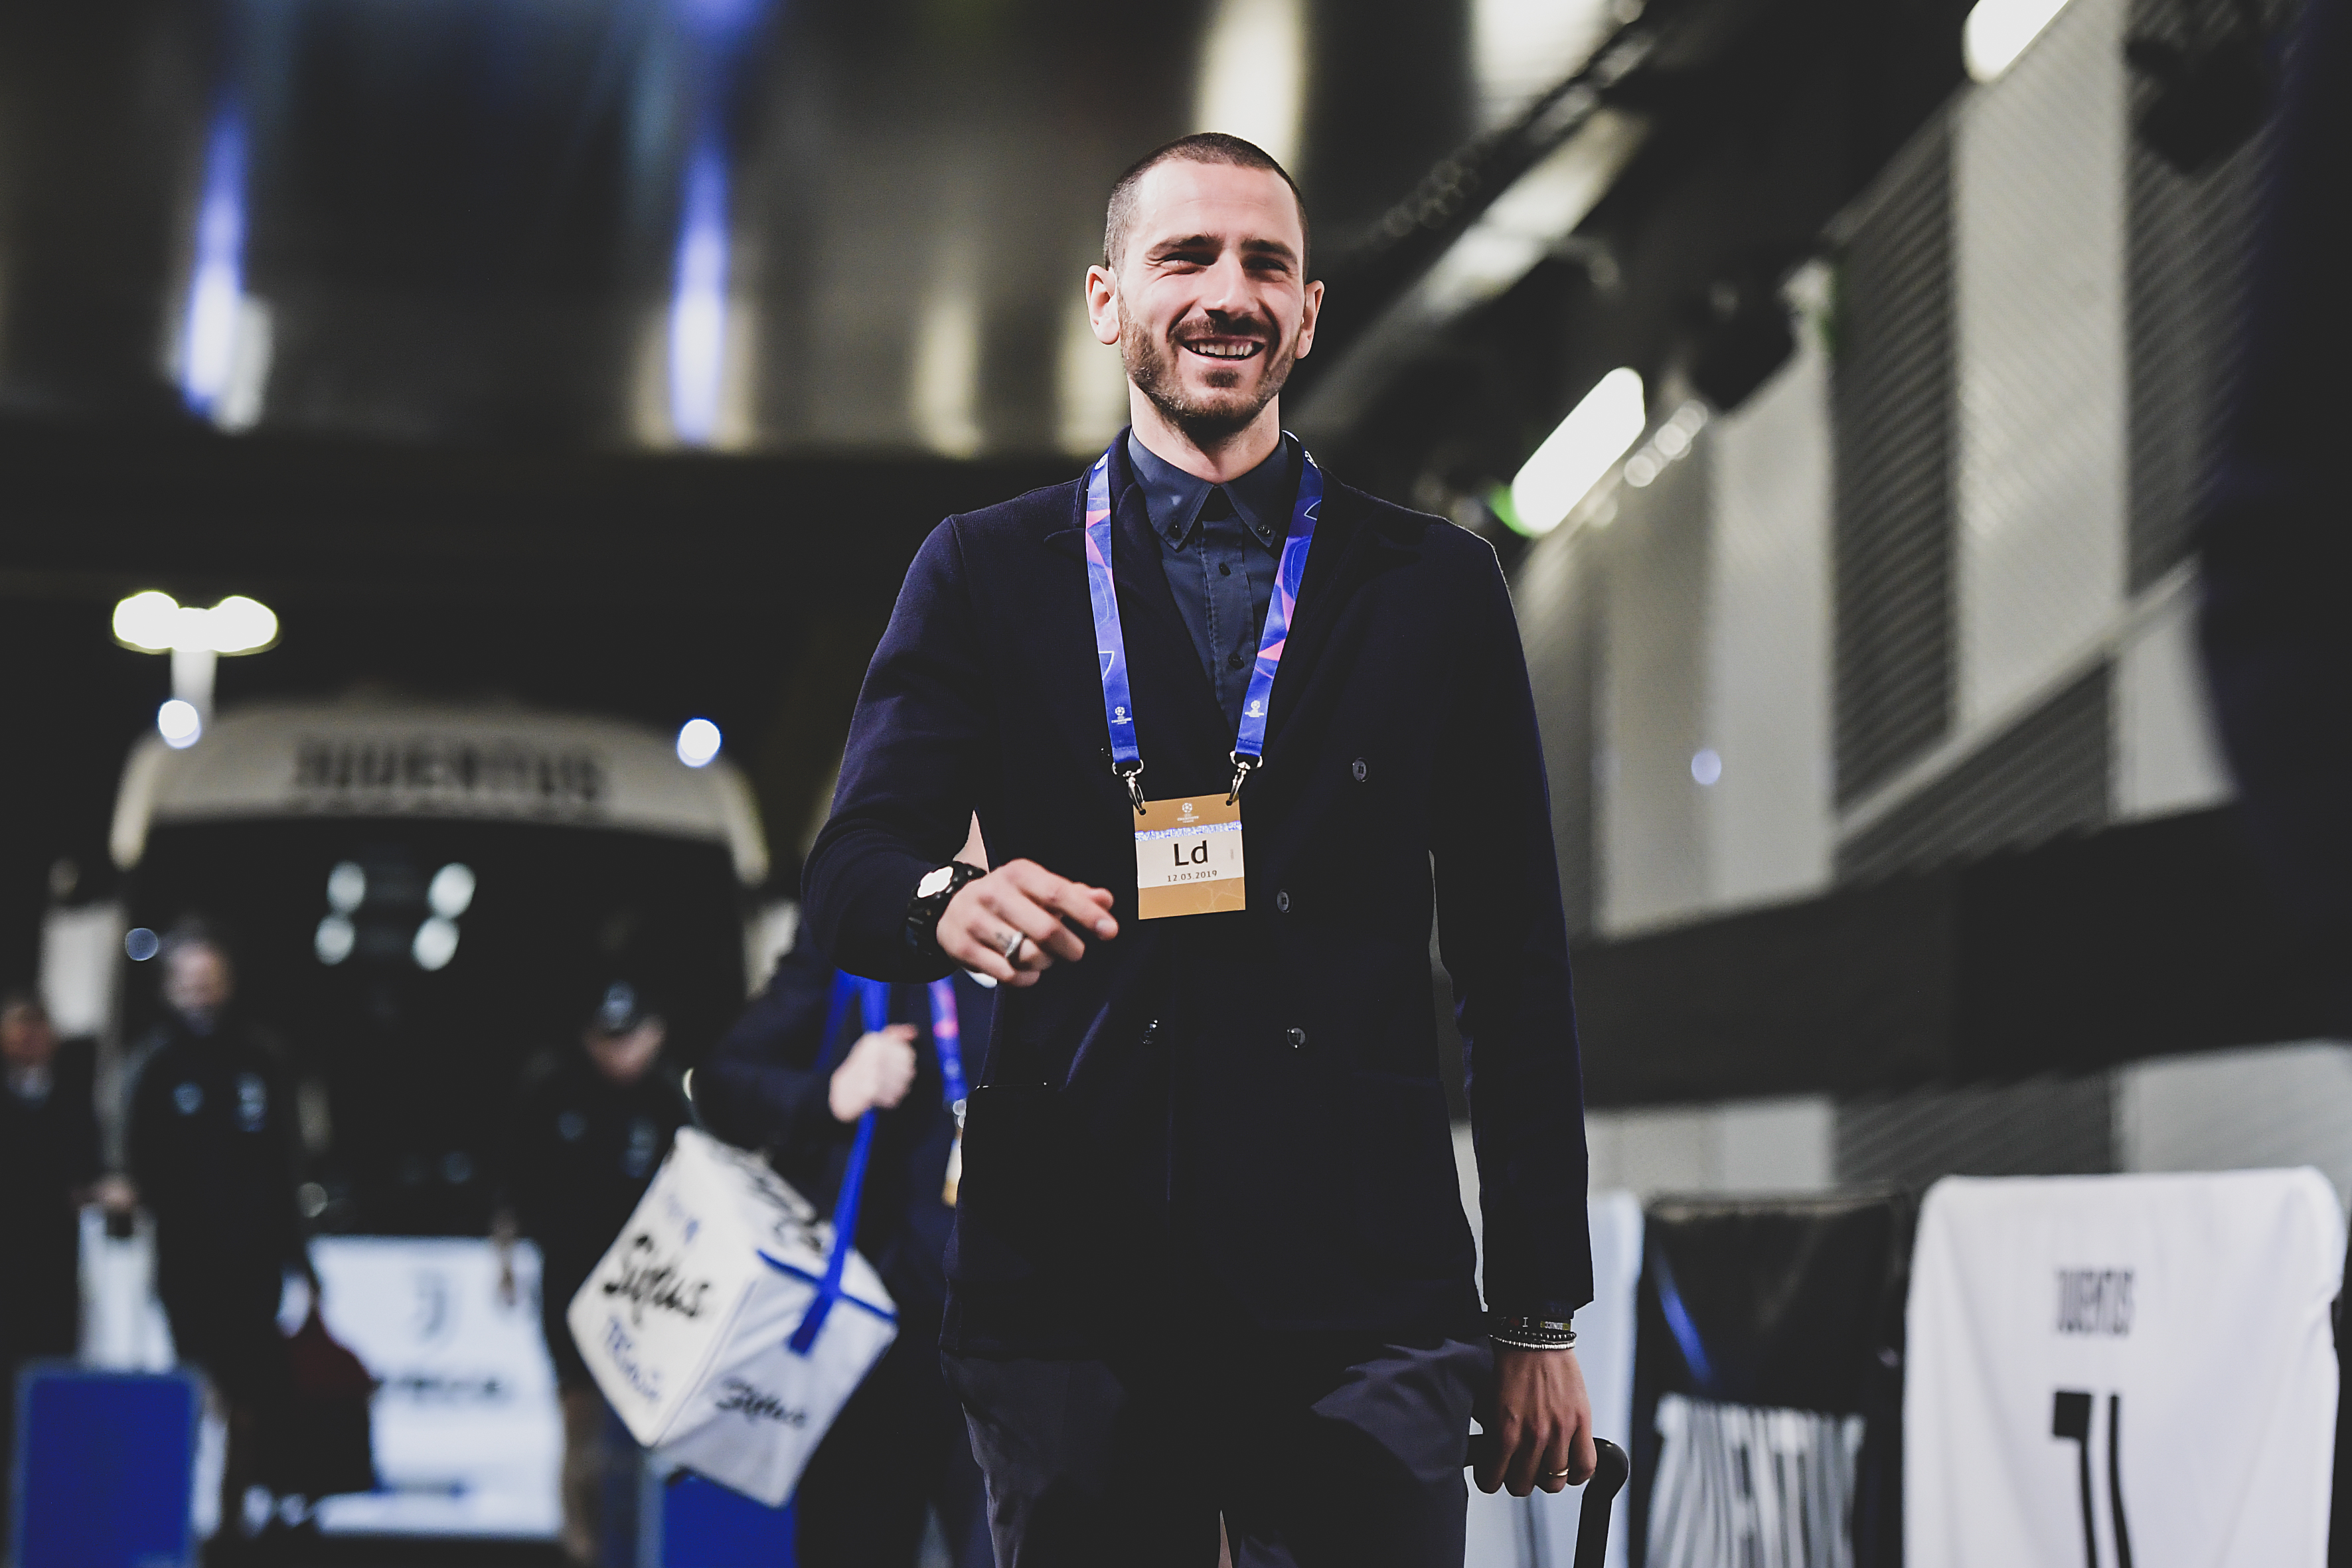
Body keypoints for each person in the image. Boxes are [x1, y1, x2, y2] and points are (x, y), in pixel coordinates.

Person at [801, 132, 1595, 1566]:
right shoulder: (983, 569)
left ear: (1307, 313)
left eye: (1264, 264)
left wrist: (1536, 1311)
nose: (1227, 292)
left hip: (1366, 1297)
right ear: (1108, 301)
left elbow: (1513, 961)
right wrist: (953, 900)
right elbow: (854, 865)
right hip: (1071, 1292)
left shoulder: (1434, 585)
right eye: (1187, 257)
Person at [698, 868, 997, 1568]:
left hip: (1016, 1340)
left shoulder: (1066, 929)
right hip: (872, 1335)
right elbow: (723, 1082)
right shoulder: (867, 935)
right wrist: (831, 1094)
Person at [123, 925, 313, 1565]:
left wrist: (303, 1260)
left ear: (227, 984)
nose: (200, 993)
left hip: (254, 1265)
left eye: (209, 980)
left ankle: (232, 1524)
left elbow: (287, 1164)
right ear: (169, 989)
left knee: (251, 1403)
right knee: (199, 1392)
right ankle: (187, 1518)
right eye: (188, 982)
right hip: (185, 1265)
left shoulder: (263, 1059)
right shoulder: (153, 1067)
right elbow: (132, 1165)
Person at [499, 979, 691, 1568]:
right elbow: (515, 1175)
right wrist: (503, 1251)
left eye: (631, 1038)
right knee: (576, 1417)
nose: (620, 1053)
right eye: (608, 1040)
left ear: (654, 1036)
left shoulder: (668, 1101)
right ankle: (579, 1542)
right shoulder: (555, 1091)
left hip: (646, 1289)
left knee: (639, 1424)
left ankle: (634, 1539)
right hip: (570, 1278)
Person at [1, 993, 104, 1543]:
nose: (27, 1041)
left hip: (52, 1274)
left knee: (47, 1393)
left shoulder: (71, 1100)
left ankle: (46, 1521)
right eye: (17, 1030)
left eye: (37, 1030)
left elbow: (86, 1171)